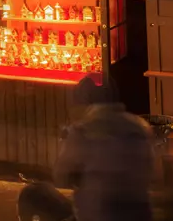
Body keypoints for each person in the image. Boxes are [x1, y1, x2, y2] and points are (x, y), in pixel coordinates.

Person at [52, 75, 154, 221]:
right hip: (139, 215)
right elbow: (152, 172)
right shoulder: (140, 127)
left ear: (84, 102)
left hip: (97, 215)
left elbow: (61, 175)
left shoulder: (82, 132)